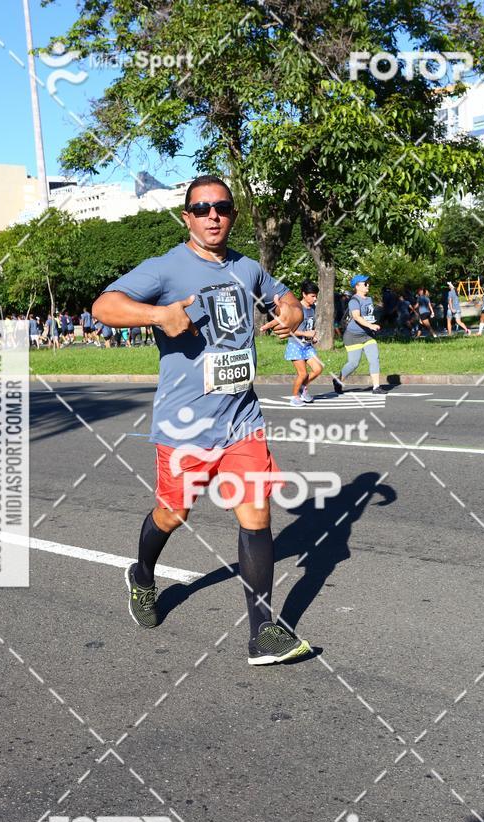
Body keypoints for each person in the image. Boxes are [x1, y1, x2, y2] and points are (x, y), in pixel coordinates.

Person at [92, 174, 311, 666]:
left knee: (257, 517)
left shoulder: (249, 267)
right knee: (173, 514)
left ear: (232, 214)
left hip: (242, 420)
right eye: (202, 208)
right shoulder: (166, 268)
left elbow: (286, 298)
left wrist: (292, 314)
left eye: (223, 207)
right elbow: (104, 306)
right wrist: (157, 316)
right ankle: (143, 576)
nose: (214, 215)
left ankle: (262, 634)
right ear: (187, 216)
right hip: (185, 425)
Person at [332, 274, 385, 395]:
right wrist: (370, 325)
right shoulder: (354, 301)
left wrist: (373, 325)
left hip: (367, 335)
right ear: (357, 286)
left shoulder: (369, 299)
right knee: (353, 364)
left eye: (368, 283)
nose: (368, 285)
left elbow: (368, 316)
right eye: (365, 283)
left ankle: (376, 387)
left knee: (374, 359)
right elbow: (356, 317)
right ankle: (338, 380)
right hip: (353, 336)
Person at [284, 279, 323, 406]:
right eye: (312, 296)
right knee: (303, 374)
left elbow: (309, 327)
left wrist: (312, 337)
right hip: (296, 345)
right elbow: (289, 330)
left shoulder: (312, 309)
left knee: (318, 369)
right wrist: (306, 334)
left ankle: (303, 389)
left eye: (316, 296)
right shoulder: (296, 309)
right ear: (304, 294)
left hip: (307, 346)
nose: (315, 298)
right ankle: (294, 397)